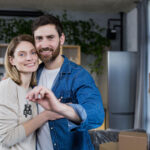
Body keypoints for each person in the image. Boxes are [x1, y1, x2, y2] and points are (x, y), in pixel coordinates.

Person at [27, 15, 105, 150]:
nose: (44, 44)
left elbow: (96, 115)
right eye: (39, 38)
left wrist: (59, 107)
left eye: (50, 37)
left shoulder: (79, 76)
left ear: (61, 39)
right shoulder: (31, 75)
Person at [0, 34, 63, 150]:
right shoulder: (5, 88)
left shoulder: (33, 90)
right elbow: (5, 139)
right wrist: (46, 115)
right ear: (12, 60)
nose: (29, 58)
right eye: (22, 54)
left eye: (33, 52)